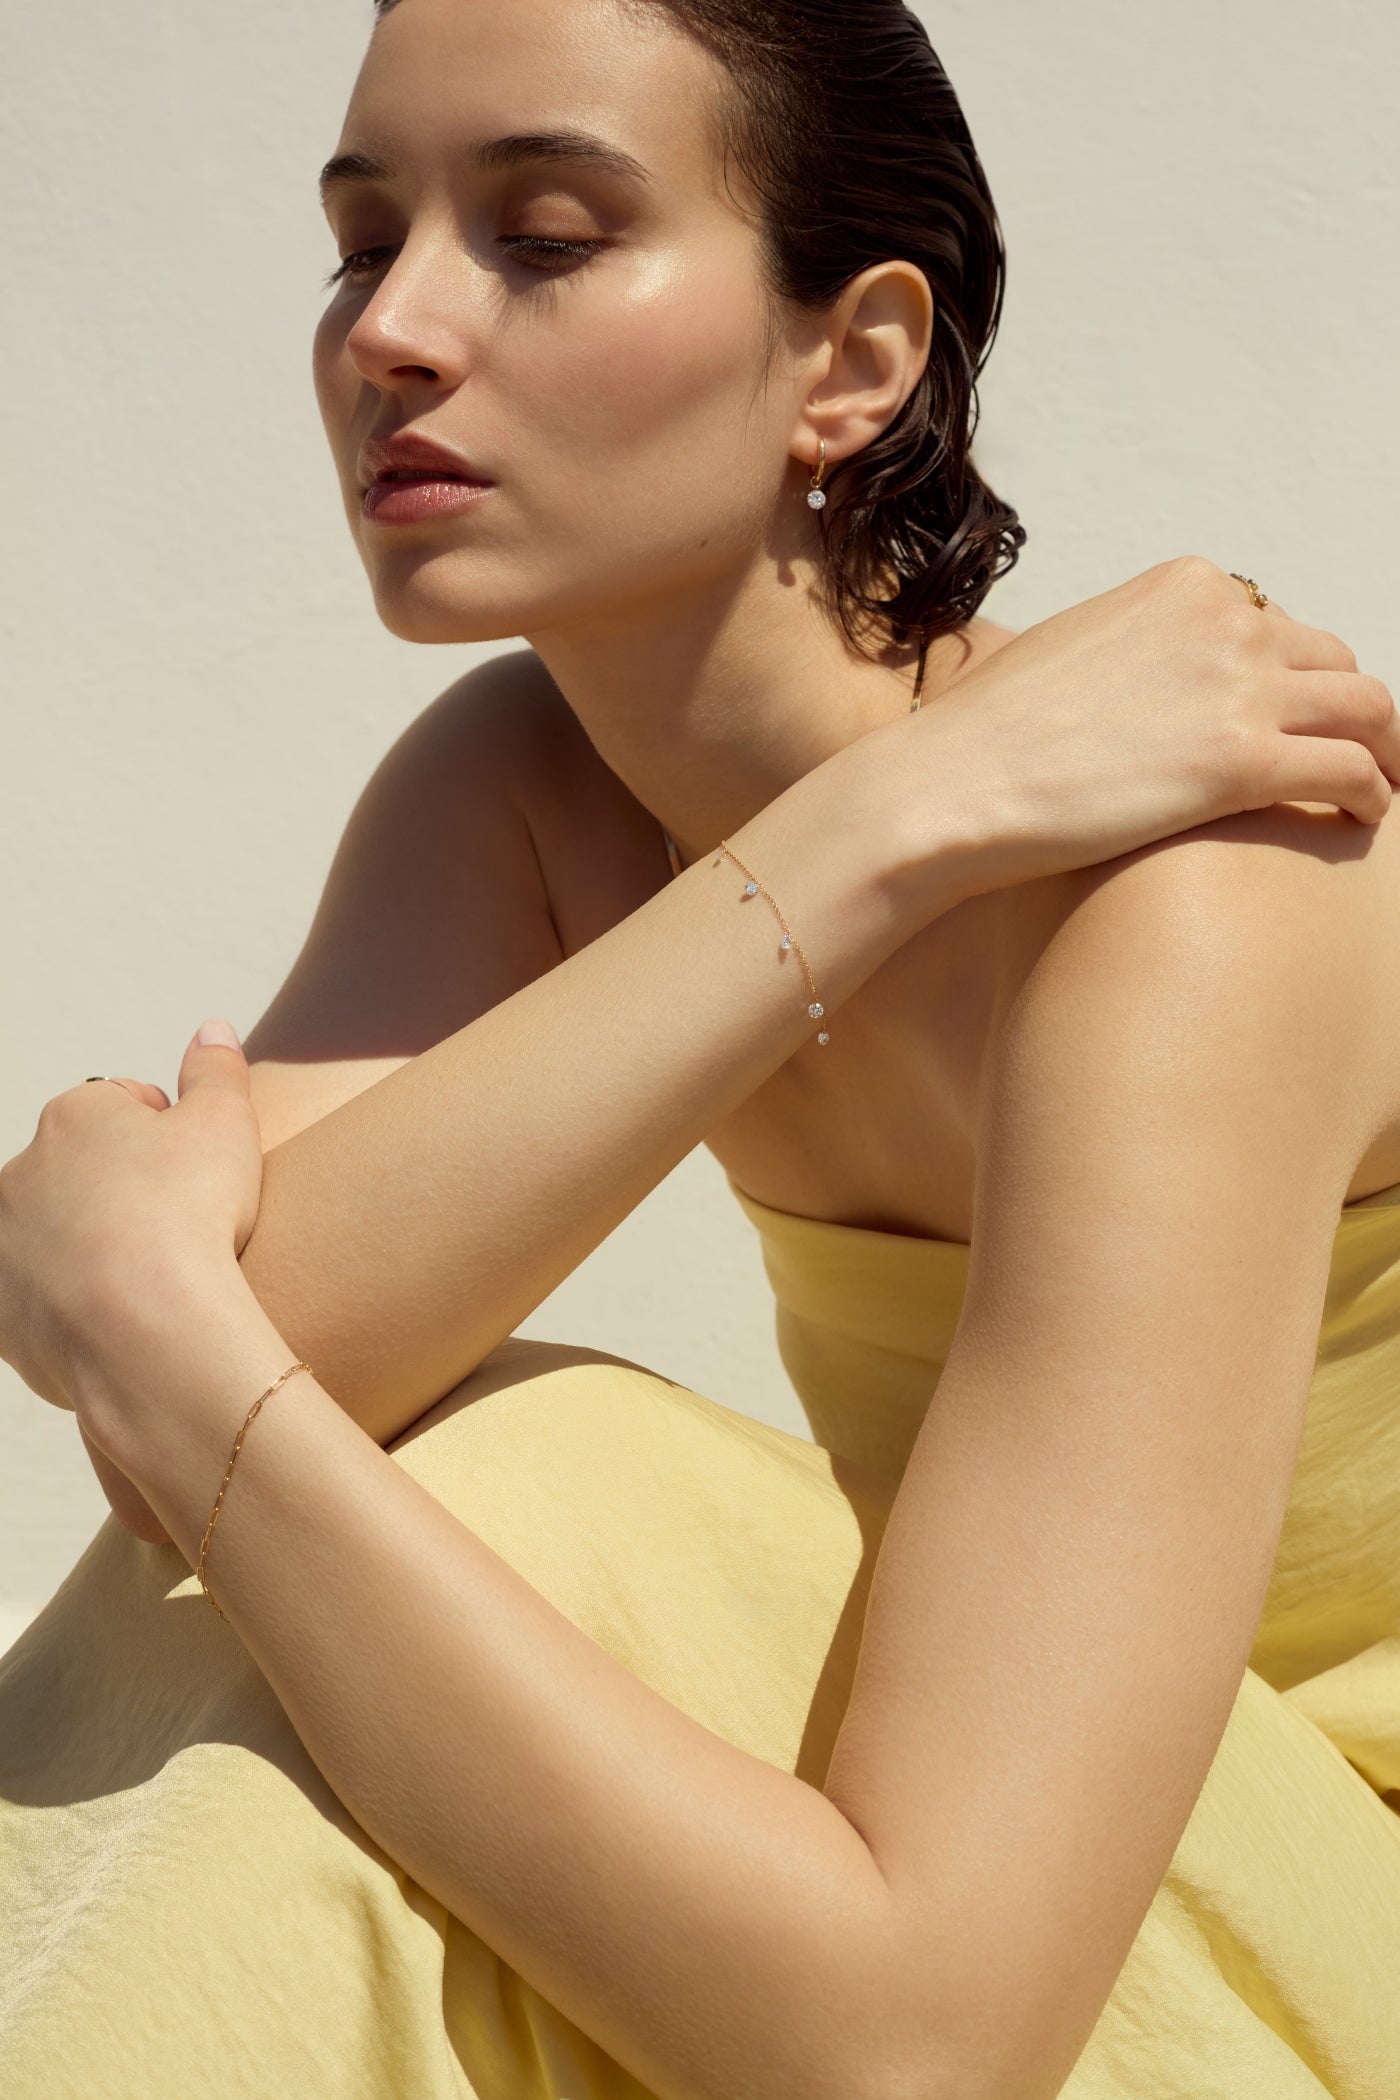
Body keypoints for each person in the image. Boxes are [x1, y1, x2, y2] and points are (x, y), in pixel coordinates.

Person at [2, 1, 1398, 2095]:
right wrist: (883, 828)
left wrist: (121, 1300)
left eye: (544, 235)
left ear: (852, 361)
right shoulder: (520, 793)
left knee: (533, 1481)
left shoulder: (1197, 886)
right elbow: (206, 1412)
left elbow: (921, 2042)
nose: (395, 326)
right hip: (973, 1874)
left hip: (1297, 1935)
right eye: (359, 242)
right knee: (367, 1535)